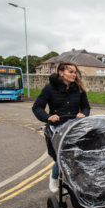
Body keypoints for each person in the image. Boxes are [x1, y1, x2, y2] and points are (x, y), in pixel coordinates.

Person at [32, 61, 91, 193]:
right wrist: (48, 117)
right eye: (70, 72)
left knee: (77, 157)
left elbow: (86, 107)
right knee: (61, 158)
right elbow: (37, 108)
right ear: (61, 72)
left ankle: (73, 182)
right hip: (57, 129)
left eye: (75, 72)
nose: (74, 75)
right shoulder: (49, 88)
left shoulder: (79, 89)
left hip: (75, 128)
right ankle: (54, 177)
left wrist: (84, 113)